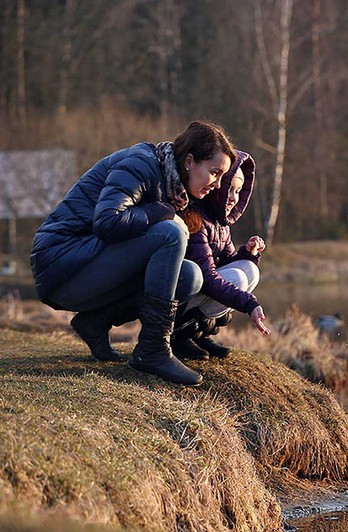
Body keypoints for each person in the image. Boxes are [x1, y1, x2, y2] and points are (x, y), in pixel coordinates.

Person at [30, 120, 236, 386]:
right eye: (215, 172)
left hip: (90, 268)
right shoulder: (140, 165)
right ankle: (152, 351)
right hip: (61, 267)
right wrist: (165, 212)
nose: (218, 185)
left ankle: (95, 322)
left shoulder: (173, 184)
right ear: (189, 162)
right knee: (169, 233)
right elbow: (108, 222)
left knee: (189, 277)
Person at [171, 150, 271, 361]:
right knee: (239, 278)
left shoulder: (221, 223)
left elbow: (226, 264)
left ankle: (199, 333)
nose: (234, 198)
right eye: (230, 190)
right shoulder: (196, 218)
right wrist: (249, 304)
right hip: (178, 299)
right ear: (219, 187)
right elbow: (208, 277)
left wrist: (247, 254)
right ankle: (180, 334)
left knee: (249, 269)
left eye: (239, 191)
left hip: (199, 292)